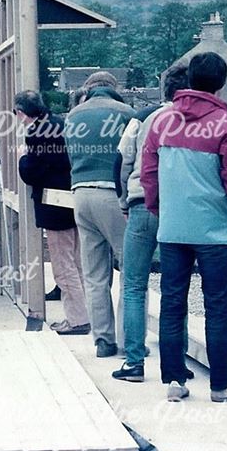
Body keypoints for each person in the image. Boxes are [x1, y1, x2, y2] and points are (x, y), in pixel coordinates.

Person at [141, 52, 227, 403]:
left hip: (174, 227)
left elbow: (148, 174)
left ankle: (174, 381)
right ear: (221, 82)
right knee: (217, 306)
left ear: (189, 79)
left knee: (172, 302)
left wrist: (160, 209)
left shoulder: (162, 123)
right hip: (214, 231)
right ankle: (221, 385)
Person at [111, 65, 190, 382]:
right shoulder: (195, 120)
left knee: (133, 285)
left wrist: (123, 200)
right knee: (176, 288)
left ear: (164, 89)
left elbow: (122, 159)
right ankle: (177, 361)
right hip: (178, 207)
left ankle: (134, 361)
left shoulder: (143, 117)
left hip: (142, 201)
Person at [63, 71, 134, 357]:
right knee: (131, 272)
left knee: (94, 274)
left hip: (81, 194)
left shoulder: (74, 115)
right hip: (113, 195)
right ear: (114, 88)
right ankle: (131, 338)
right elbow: (133, 156)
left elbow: (70, 155)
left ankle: (103, 340)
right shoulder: (128, 113)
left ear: (88, 89)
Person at [14, 90, 89, 334]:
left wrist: (22, 159)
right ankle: (87, 314)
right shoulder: (61, 122)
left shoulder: (36, 133)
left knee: (62, 264)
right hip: (72, 199)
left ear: (22, 113)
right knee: (77, 263)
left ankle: (77, 320)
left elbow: (31, 172)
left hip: (53, 204)